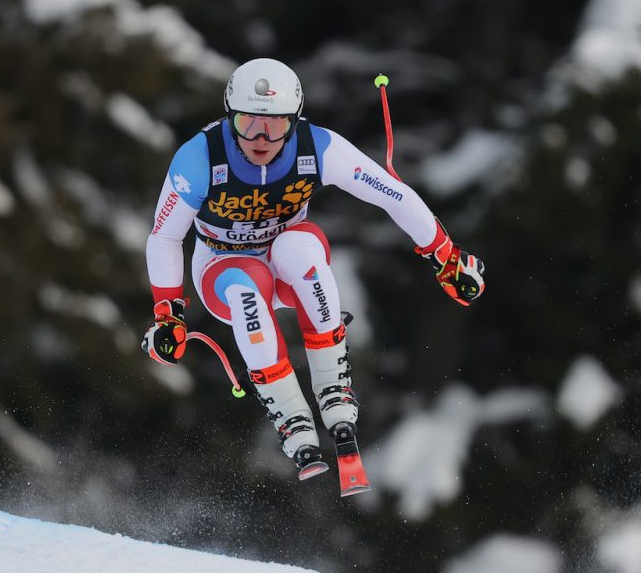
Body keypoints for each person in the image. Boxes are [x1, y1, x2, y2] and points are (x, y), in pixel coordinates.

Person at [141, 58, 485, 479]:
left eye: (276, 124)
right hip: (222, 264)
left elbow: (391, 194)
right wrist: (167, 314)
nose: (262, 138)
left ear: (295, 121)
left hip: (286, 260)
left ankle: (333, 387)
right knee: (247, 287)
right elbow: (164, 236)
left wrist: (446, 257)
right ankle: (290, 415)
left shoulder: (317, 146)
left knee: (302, 250)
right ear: (230, 117)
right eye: (249, 123)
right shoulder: (199, 159)